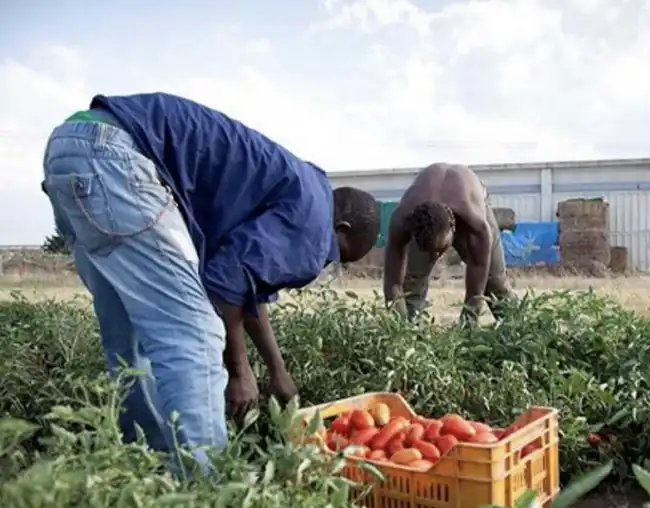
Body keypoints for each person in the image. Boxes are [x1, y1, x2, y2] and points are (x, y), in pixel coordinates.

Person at [40, 92, 380, 476]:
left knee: (131, 340)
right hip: (118, 158)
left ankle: (145, 471)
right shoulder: (315, 227)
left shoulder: (302, 191)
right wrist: (239, 372)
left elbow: (247, 284)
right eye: (334, 254)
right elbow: (226, 283)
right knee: (196, 335)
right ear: (341, 229)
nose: (322, 261)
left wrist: (275, 368)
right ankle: (208, 493)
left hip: (73, 147)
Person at [382, 162, 516, 323]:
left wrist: (468, 325)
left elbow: (476, 288)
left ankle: (518, 330)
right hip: (426, 205)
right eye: (429, 250)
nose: (435, 256)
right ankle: (411, 336)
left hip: (471, 196)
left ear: (453, 228)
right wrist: (399, 327)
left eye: (439, 250)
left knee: (495, 283)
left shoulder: (477, 225)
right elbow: (393, 284)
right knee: (410, 285)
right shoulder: (402, 221)